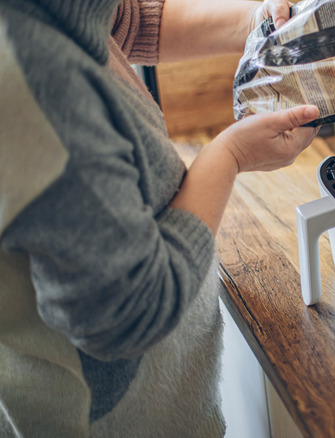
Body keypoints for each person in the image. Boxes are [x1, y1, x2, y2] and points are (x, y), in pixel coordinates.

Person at [0, 0, 316, 436]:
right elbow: (130, 312)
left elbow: (112, 21)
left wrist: (253, 20)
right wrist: (230, 156)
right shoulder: (26, 81)